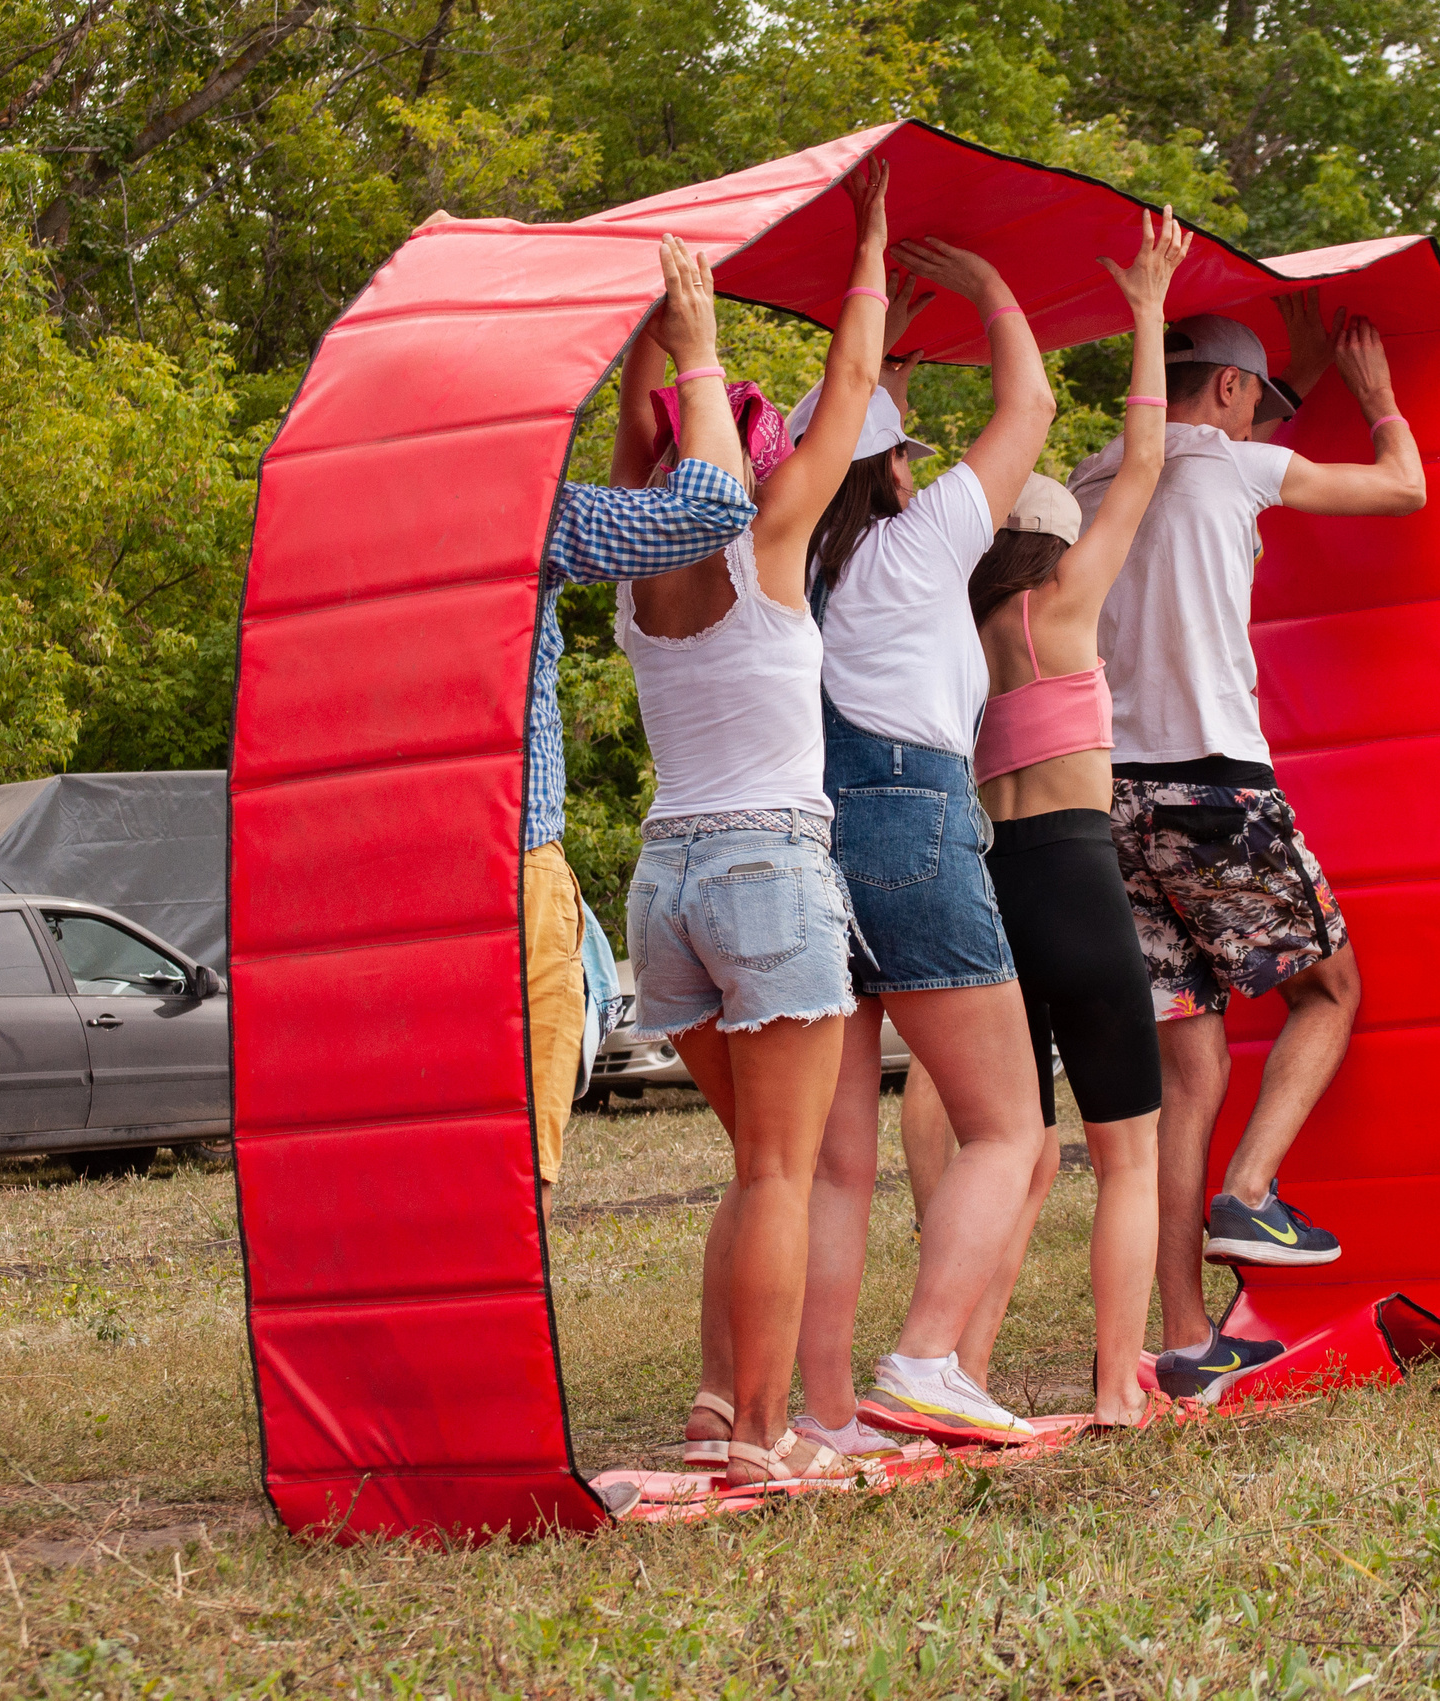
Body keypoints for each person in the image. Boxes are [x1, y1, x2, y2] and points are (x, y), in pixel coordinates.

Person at [1069, 293, 1425, 1404]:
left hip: (1100, 798)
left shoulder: (1091, 473)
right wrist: (1375, 399)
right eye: (1255, 397)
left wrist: (1294, 356)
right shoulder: (1234, 466)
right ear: (1226, 394)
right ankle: (1251, 1189)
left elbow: (1197, 429)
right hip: (1212, 784)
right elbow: (1404, 487)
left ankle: (1185, 1340)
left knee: (1188, 1063)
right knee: (1331, 986)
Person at [609, 163, 895, 1489]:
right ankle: (769, 1440)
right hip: (767, 863)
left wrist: (649, 356)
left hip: (664, 878)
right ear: (755, 459)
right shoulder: (771, 533)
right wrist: (871, 246)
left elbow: (642, 454)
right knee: (783, 1171)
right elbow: (851, 390)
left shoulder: (632, 566)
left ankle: (721, 1404)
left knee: (753, 1168)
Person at [785, 219, 1062, 1457]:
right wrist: (996, 287)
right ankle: (929, 1362)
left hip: (813, 830)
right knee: (1010, 1126)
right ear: (900, 475)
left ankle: (828, 1413)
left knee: (835, 1165)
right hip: (913, 812)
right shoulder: (922, 542)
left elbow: (855, 432)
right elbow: (1034, 405)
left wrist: (881, 366)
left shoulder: (792, 564)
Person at [950, 212, 1190, 1430]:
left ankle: (969, 1372)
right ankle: (1112, 1386)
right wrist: (1147, 308)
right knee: (1126, 1155)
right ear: (1050, 536)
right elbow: (1143, 462)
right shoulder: (1061, 602)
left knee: (1017, 1155)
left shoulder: (944, 622)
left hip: (992, 886)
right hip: (1080, 880)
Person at [523, 236, 758, 1200]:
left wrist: (644, 367)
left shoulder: (337, 517)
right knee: (514, 1157)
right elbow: (713, 504)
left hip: (383, 886)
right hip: (512, 869)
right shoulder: (525, 521)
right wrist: (693, 348)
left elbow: (644, 476)